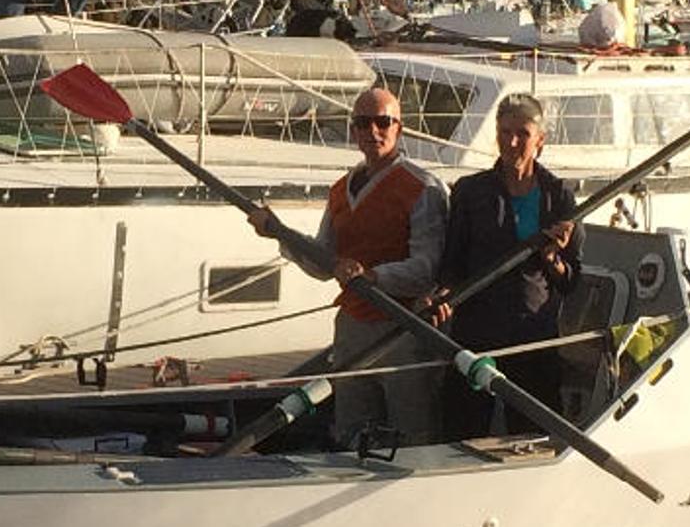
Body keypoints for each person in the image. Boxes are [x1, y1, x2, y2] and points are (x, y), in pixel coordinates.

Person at [247, 88, 448, 447]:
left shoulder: (423, 188)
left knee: (411, 429)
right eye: (362, 123)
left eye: (383, 122)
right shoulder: (341, 190)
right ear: (353, 130)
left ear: (399, 128)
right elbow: (324, 262)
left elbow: (426, 269)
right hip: (353, 328)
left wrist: (374, 277)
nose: (373, 131)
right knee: (352, 428)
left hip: (403, 328)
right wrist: (279, 235)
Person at [436, 93, 583, 439]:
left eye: (522, 134)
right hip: (477, 331)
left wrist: (551, 260)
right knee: (463, 433)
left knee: (534, 435)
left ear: (540, 140)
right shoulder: (470, 191)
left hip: (532, 334)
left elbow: (571, 279)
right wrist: (442, 295)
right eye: (504, 133)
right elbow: (451, 264)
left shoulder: (559, 194)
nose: (512, 142)